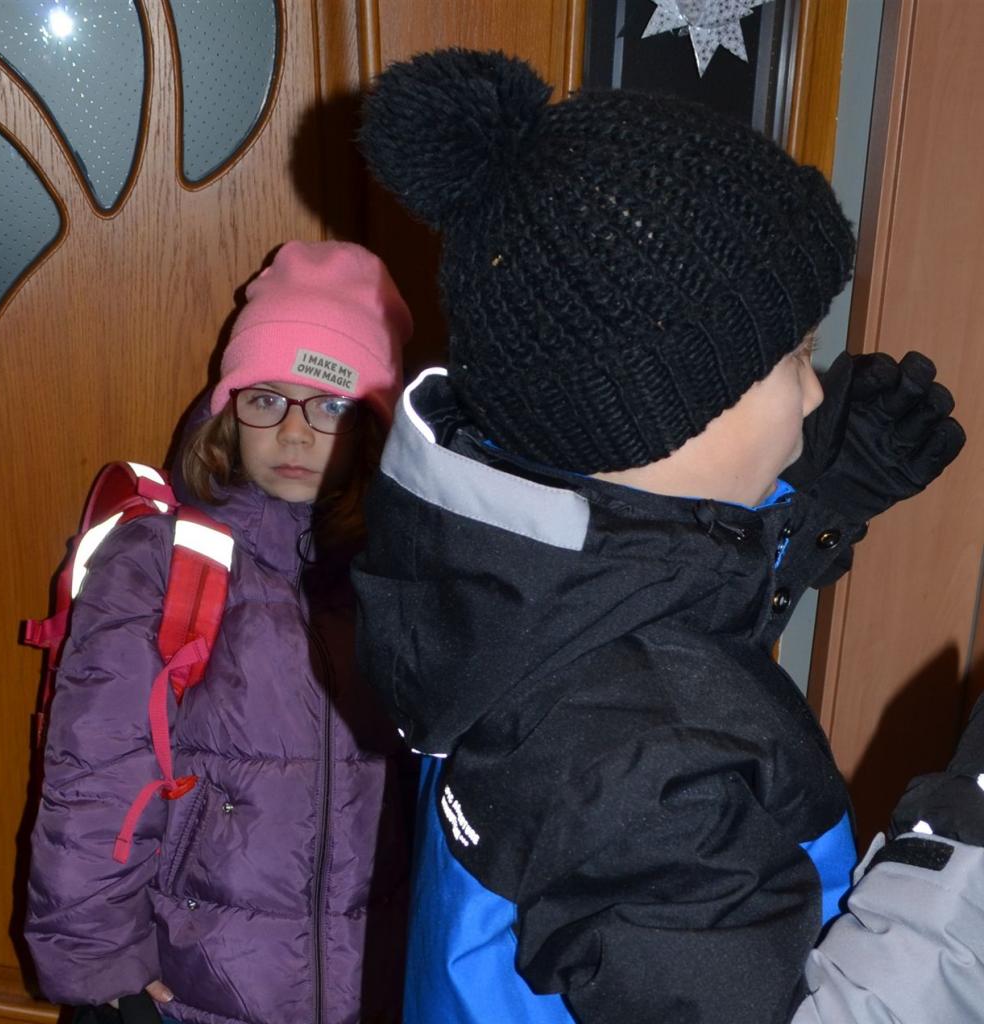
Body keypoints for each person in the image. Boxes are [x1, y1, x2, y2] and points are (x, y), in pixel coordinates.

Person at [352, 49, 977, 1023]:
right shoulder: (636, 777)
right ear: (662, 416)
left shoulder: (514, 580)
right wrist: (964, 854)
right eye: (794, 358)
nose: (816, 394)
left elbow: (656, 617)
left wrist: (818, 499)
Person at [25, 241, 414, 1024]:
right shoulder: (158, 562)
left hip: (376, 980)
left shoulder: (405, 574)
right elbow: (93, 775)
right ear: (227, 413)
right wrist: (100, 960)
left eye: (332, 405)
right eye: (267, 398)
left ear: (376, 426)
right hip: (200, 983)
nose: (295, 433)